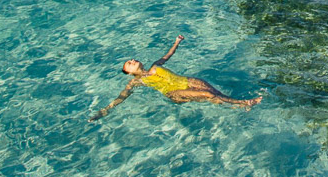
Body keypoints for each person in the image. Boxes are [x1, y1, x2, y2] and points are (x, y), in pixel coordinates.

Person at [90, 35, 262, 121]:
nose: (133, 60)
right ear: (128, 72)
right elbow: (122, 96)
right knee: (208, 95)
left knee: (210, 90)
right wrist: (107, 109)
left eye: (132, 59)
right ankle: (245, 103)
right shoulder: (136, 81)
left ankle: (234, 107)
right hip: (174, 93)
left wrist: (177, 42)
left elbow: (168, 55)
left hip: (185, 81)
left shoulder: (155, 65)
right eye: (129, 63)